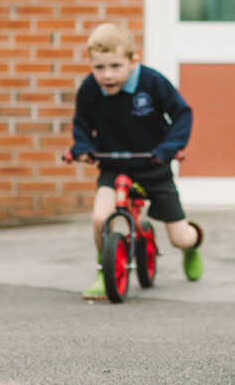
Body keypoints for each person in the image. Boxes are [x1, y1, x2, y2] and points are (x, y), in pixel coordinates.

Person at [65, 22, 203, 300]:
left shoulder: (152, 82)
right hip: (114, 167)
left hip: (154, 166)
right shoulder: (90, 89)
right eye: (99, 67)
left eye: (115, 66)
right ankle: (104, 270)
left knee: (179, 237)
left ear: (133, 60)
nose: (107, 75)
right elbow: (81, 124)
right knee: (100, 218)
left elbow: (182, 114)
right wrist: (82, 147)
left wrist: (169, 147)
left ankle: (192, 246)